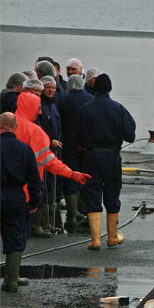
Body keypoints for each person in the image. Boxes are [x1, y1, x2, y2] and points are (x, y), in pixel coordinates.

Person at [13, 93, 90, 239]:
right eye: (38, 108)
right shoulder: (35, 132)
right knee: (17, 240)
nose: (40, 112)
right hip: (26, 191)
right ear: (30, 107)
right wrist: (72, 174)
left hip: (6, 189)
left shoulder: (6, 124)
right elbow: (50, 162)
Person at [76, 74, 135, 250]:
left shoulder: (85, 108)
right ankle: (112, 236)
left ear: (94, 89)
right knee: (112, 193)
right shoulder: (118, 109)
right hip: (111, 156)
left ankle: (95, 239)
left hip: (91, 156)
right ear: (109, 88)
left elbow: (77, 136)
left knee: (92, 192)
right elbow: (130, 135)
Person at [0, 112, 43, 293]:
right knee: (15, 237)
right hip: (14, 196)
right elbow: (34, 179)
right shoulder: (24, 149)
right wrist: (34, 202)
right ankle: (12, 280)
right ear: (15, 127)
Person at [57, 75, 94, 233]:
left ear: (69, 87)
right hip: (86, 147)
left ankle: (72, 215)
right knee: (85, 177)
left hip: (68, 146)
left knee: (71, 177)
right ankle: (84, 211)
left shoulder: (63, 101)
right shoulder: (91, 100)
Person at [36, 76, 64, 234]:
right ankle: (40, 224)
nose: (51, 90)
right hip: (44, 151)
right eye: (48, 88)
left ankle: (47, 223)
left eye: (53, 88)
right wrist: (49, 141)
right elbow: (39, 129)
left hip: (53, 152)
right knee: (44, 186)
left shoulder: (53, 106)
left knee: (51, 186)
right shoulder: (40, 106)